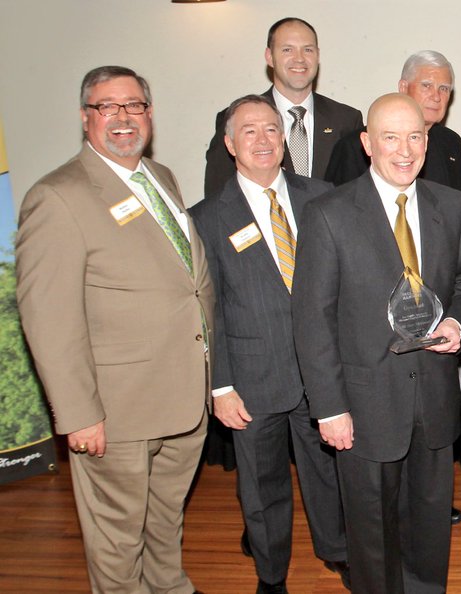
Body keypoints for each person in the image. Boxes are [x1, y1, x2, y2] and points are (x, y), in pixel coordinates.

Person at [15, 65, 213, 593]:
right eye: (108, 107)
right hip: (115, 409)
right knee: (117, 539)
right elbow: (47, 316)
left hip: (183, 398)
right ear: (86, 118)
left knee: (165, 519)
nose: (123, 118)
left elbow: (185, 282)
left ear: (150, 114)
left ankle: (170, 586)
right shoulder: (57, 196)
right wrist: (79, 413)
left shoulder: (161, 177)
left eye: (135, 106)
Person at [292, 93, 461, 593]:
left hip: (436, 396)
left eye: (414, 136)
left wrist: (458, 325)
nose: (404, 149)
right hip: (363, 402)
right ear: (367, 143)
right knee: (373, 536)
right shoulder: (328, 213)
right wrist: (329, 408)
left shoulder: (452, 206)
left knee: (429, 524)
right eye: (390, 137)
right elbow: (312, 320)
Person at [190, 94, 348, 594]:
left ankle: (338, 551)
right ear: (230, 143)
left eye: (272, 129)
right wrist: (221, 385)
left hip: (322, 373)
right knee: (261, 488)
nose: (263, 139)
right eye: (249, 131)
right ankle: (271, 574)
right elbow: (207, 308)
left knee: (329, 477)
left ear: (286, 140)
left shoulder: (324, 197)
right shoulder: (208, 217)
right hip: (252, 377)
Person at [204, 17, 363, 199]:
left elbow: (358, 195)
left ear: (318, 56)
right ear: (269, 57)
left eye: (308, 50)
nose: (299, 59)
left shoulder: (347, 119)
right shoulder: (236, 118)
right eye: (288, 49)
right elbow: (218, 197)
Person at [325, 50, 461, 195]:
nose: (436, 97)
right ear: (403, 88)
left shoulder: (451, 143)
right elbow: (338, 209)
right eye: (426, 86)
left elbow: (460, 210)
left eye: (444, 88)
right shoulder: (353, 147)